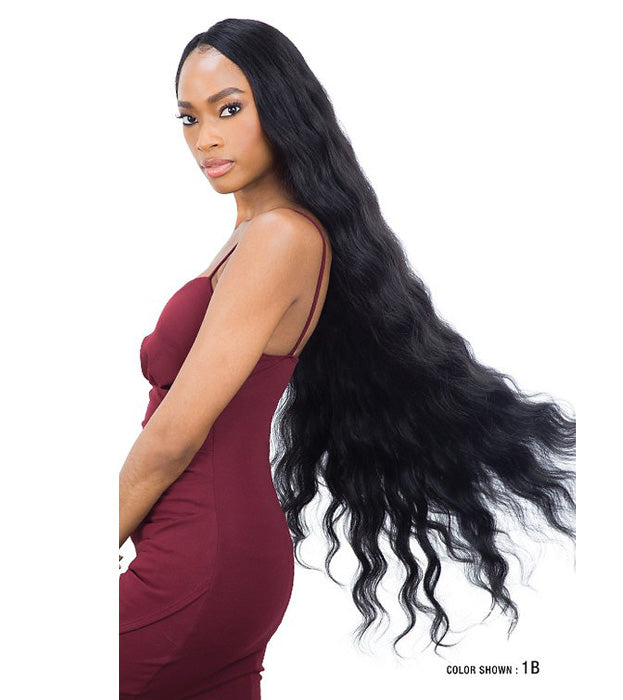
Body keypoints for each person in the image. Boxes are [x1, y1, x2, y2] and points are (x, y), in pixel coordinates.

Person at [119, 17, 576, 699]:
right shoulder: (259, 234)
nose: (204, 137)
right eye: (189, 118)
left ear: (280, 106)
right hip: (219, 556)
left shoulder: (278, 239)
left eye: (229, 109)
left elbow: (173, 437)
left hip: (198, 557)